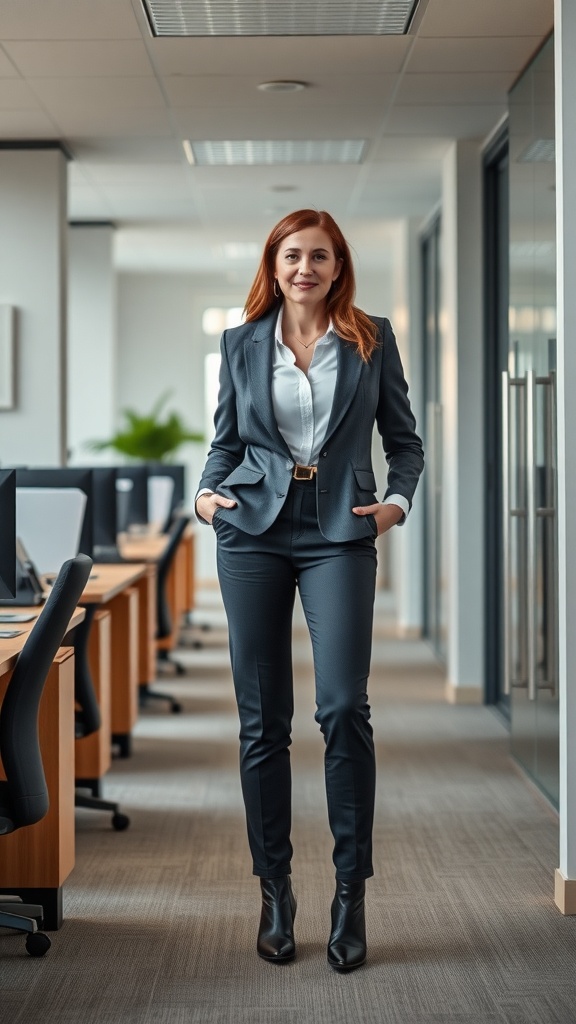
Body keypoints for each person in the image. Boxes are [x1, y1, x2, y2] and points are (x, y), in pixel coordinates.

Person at [196, 209, 424, 972]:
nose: (305, 268)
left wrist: (397, 502)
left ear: (337, 266)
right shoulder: (241, 343)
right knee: (264, 721)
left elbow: (406, 440)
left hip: (340, 531)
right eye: (293, 255)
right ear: (275, 262)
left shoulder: (371, 337)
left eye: (319, 256)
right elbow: (225, 442)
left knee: (340, 709)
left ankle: (350, 892)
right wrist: (206, 498)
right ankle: (275, 891)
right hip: (253, 528)